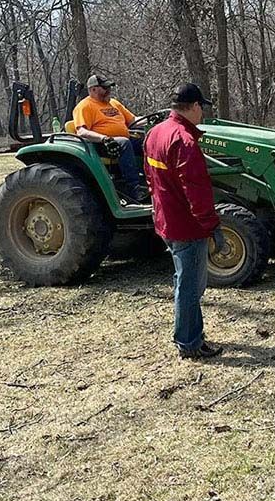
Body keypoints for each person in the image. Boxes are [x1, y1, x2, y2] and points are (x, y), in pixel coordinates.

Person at [144, 83, 225, 359]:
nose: (202, 113)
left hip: (165, 220)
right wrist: (211, 225)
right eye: (201, 107)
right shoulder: (184, 141)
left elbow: (150, 179)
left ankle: (190, 334)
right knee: (190, 286)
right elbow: (197, 190)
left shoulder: (154, 133)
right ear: (193, 107)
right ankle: (189, 342)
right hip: (186, 226)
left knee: (184, 281)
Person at [72, 74, 145, 202]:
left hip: (122, 141)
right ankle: (134, 189)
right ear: (93, 89)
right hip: (102, 145)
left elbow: (133, 120)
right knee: (124, 143)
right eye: (105, 88)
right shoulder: (85, 106)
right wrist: (104, 138)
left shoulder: (114, 103)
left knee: (147, 141)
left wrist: (150, 119)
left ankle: (154, 180)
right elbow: (82, 131)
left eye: (109, 87)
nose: (109, 90)